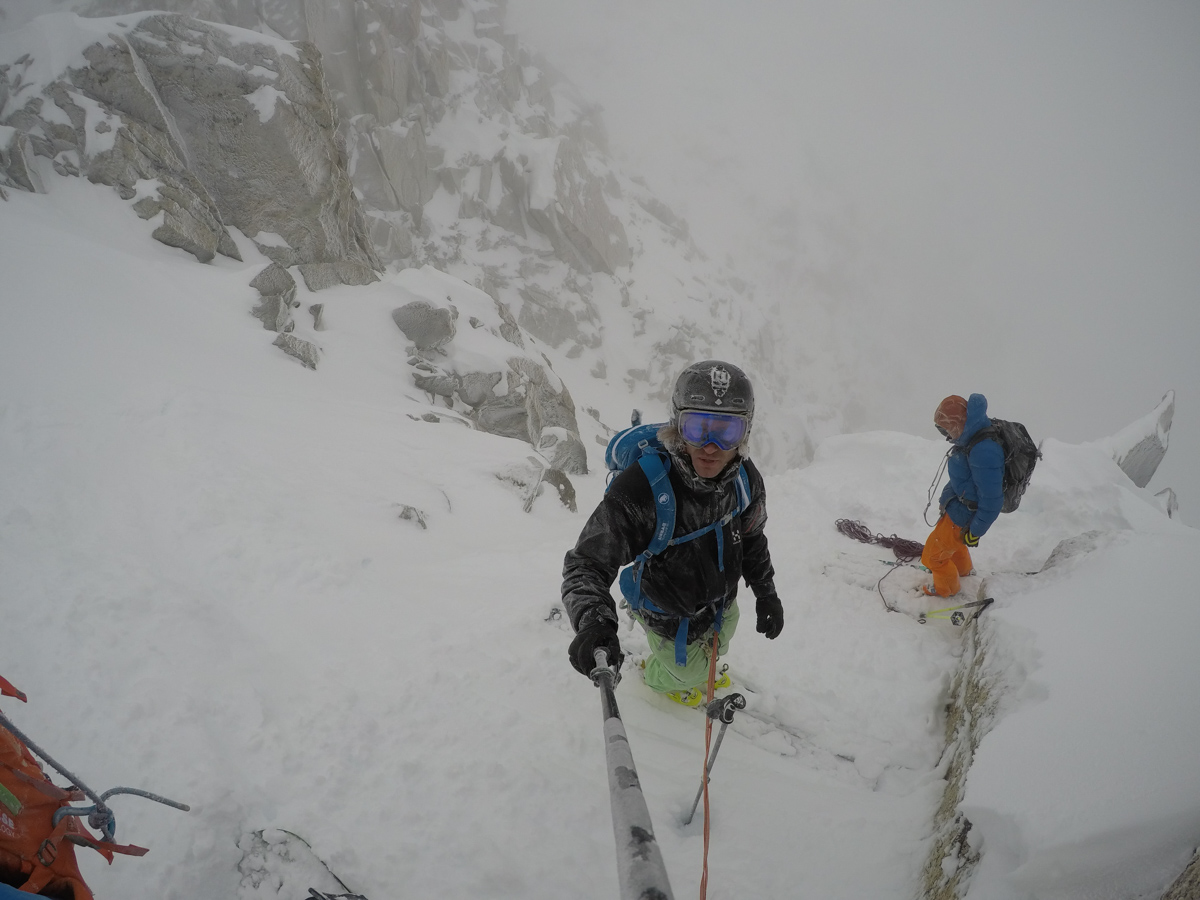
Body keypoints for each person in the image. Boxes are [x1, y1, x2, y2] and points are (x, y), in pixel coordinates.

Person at [561, 360, 784, 706]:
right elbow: (587, 564)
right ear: (678, 426)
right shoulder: (643, 489)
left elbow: (752, 537)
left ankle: (701, 666)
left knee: (722, 640)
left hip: (722, 602)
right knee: (688, 673)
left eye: (727, 432)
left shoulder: (744, 479)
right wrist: (594, 623)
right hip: (667, 613)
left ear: (744, 434)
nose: (710, 446)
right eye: (697, 429)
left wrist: (765, 591)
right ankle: (660, 677)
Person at [922, 393, 1005, 597]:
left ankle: (946, 589)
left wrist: (976, 531)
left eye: (947, 429)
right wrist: (945, 499)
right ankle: (963, 571)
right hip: (958, 509)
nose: (947, 436)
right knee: (956, 544)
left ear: (958, 423)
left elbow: (992, 500)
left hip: (964, 514)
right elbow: (963, 478)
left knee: (933, 556)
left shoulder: (984, 451)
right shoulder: (971, 438)